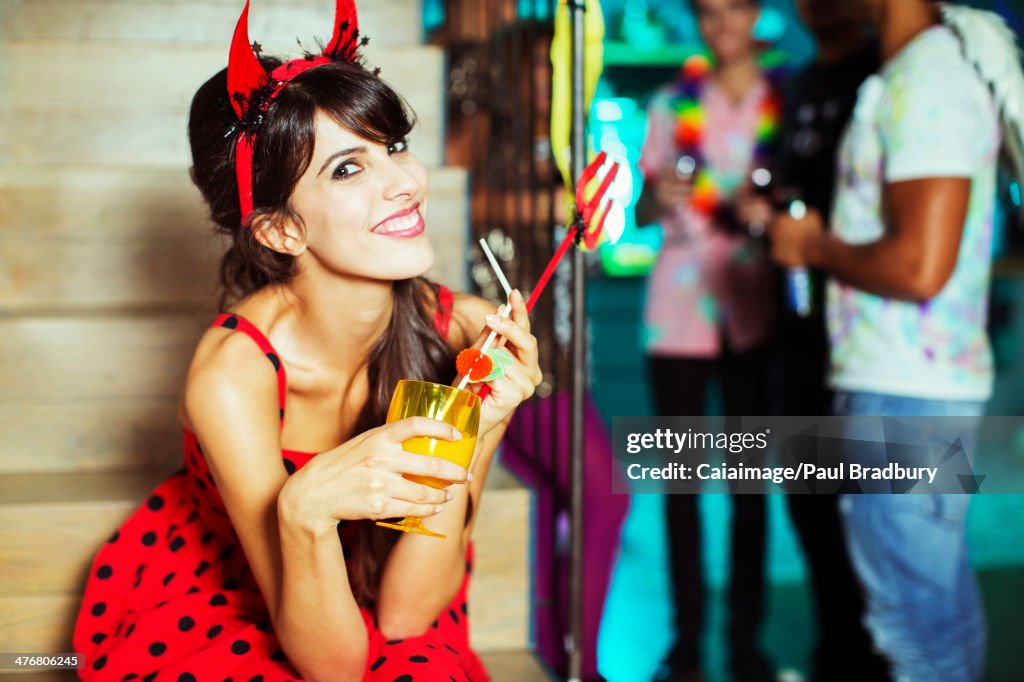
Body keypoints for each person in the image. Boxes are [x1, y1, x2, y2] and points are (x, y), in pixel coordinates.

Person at [71, 3, 542, 680]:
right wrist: (303, 507)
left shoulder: (466, 332)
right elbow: (333, 665)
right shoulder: (234, 374)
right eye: (349, 169)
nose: (406, 182)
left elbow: (407, 614)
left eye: (395, 147)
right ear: (280, 231)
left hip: (382, 586)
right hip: (239, 592)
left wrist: (483, 425)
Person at [771, 0, 1024, 678]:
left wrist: (813, 245)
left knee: (919, 628)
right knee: (917, 612)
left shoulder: (930, 78)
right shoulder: (913, 69)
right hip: (894, 384)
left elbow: (919, 267)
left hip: (905, 391)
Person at [739, 1, 890, 680]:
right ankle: (840, 650)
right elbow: (778, 185)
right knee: (809, 505)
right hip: (794, 329)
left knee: (871, 521)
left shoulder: (885, 75)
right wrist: (761, 213)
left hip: (865, 335)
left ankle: (869, 655)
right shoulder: (796, 85)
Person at [636, 0, 780, 679]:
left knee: (753, 485)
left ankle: (746, 638)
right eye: (709, 14)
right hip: (679, 313)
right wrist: (655, 197)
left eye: (734, 11)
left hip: (756, 307)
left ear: (756, 15)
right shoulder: (671, 104)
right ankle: (687, 639)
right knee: (682, 485)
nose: (721, 26)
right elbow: (639, 208)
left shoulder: (784, 99)